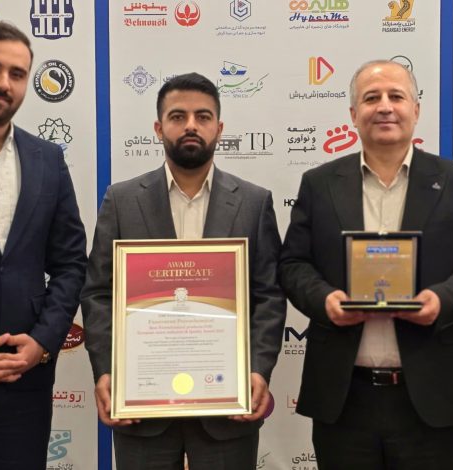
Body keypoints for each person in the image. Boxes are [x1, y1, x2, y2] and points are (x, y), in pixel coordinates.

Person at [279, 60, 453, 469]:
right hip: (343, 397)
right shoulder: (319, 183)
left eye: (396, 96)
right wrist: (325, 300)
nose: (384, 106)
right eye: (371, 98)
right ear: (353, 114)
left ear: (416, 109)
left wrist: (442, 300)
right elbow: (293, 264)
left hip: (432, 396)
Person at [81, 72, 286, 469]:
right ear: (159, 128)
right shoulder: (122, 200)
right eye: (178, 116)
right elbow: (99, 293)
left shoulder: (254, 202)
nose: (191, 125)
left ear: (219, 129)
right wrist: (106, 371)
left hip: (227, 405)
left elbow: (268, 296)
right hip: (141, 405)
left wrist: (259, 370)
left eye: (203, 116)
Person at [0, 22, 87, 469]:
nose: (4, 83)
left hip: (24, 383)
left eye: (17, 73)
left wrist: (43, 342)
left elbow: (71, 263)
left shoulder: (47, 159)